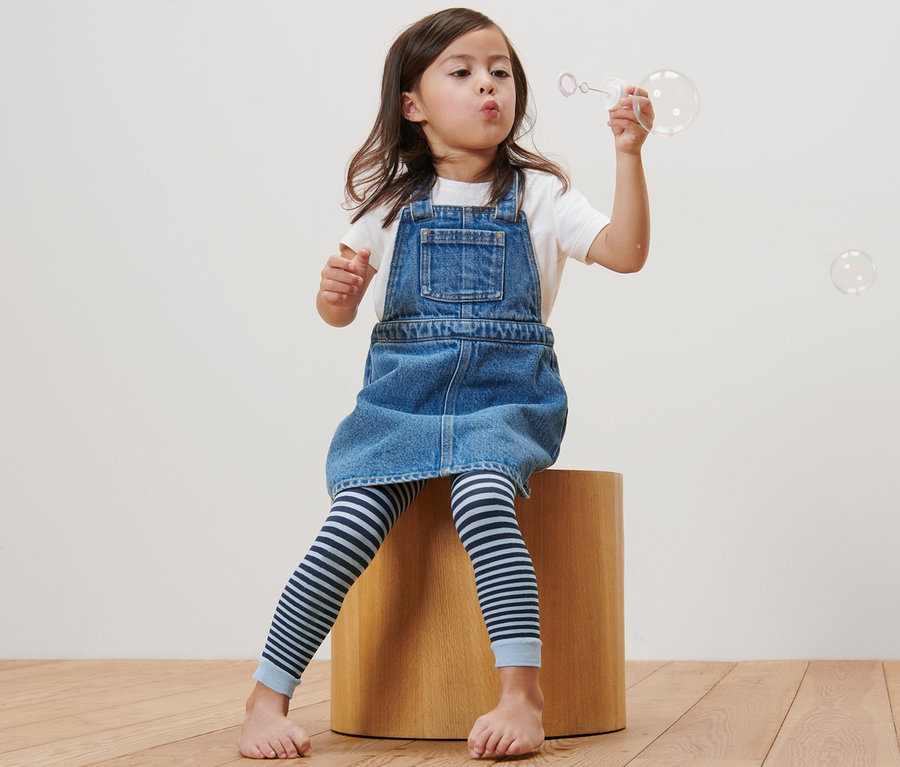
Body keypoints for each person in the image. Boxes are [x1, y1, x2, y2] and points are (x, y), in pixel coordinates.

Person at [239, 6, 651, 760]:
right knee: (347, 528)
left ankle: (522, 695)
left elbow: (625, 252)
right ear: (413, 104)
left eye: (500, 71)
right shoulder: (387, 208)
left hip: (506, 400)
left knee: (483, 495)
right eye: (461, 72)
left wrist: (628, 151)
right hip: (400, 404)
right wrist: (334, 292)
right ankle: (267, 698)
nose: (487, 85)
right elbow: (337, 313)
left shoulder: (539, 196)